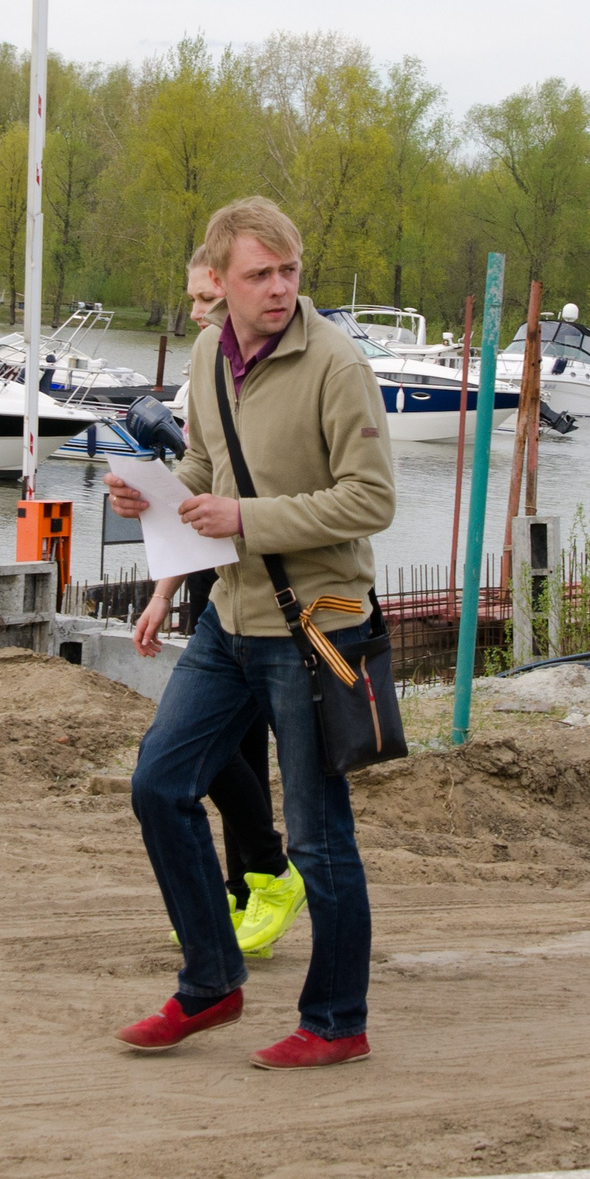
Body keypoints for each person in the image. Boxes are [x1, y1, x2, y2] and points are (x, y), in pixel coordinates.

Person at [107, 197, 394, 1069]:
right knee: (160, 785)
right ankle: (212, 984)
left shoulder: (337, 365)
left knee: (316, 835)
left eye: (289, 272)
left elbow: (372, 499)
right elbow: (207, 469)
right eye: (258, 275)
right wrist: (153, 493)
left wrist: (245, 517)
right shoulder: (208, 351)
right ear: (220, 283)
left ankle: (338, 1022)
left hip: (320, 623)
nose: (277, 289)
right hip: (232, 619)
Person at [132, 247, 304, 961]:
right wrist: (163, 591)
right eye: (195, 301)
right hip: (212, 574)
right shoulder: (209, 362)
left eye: (206, 300)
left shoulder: (269, 369)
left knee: (231, 746)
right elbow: (195, 482)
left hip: (264, 577)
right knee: (224, 745)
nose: (198, 314)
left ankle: (264, 871)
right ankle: (241, 888)